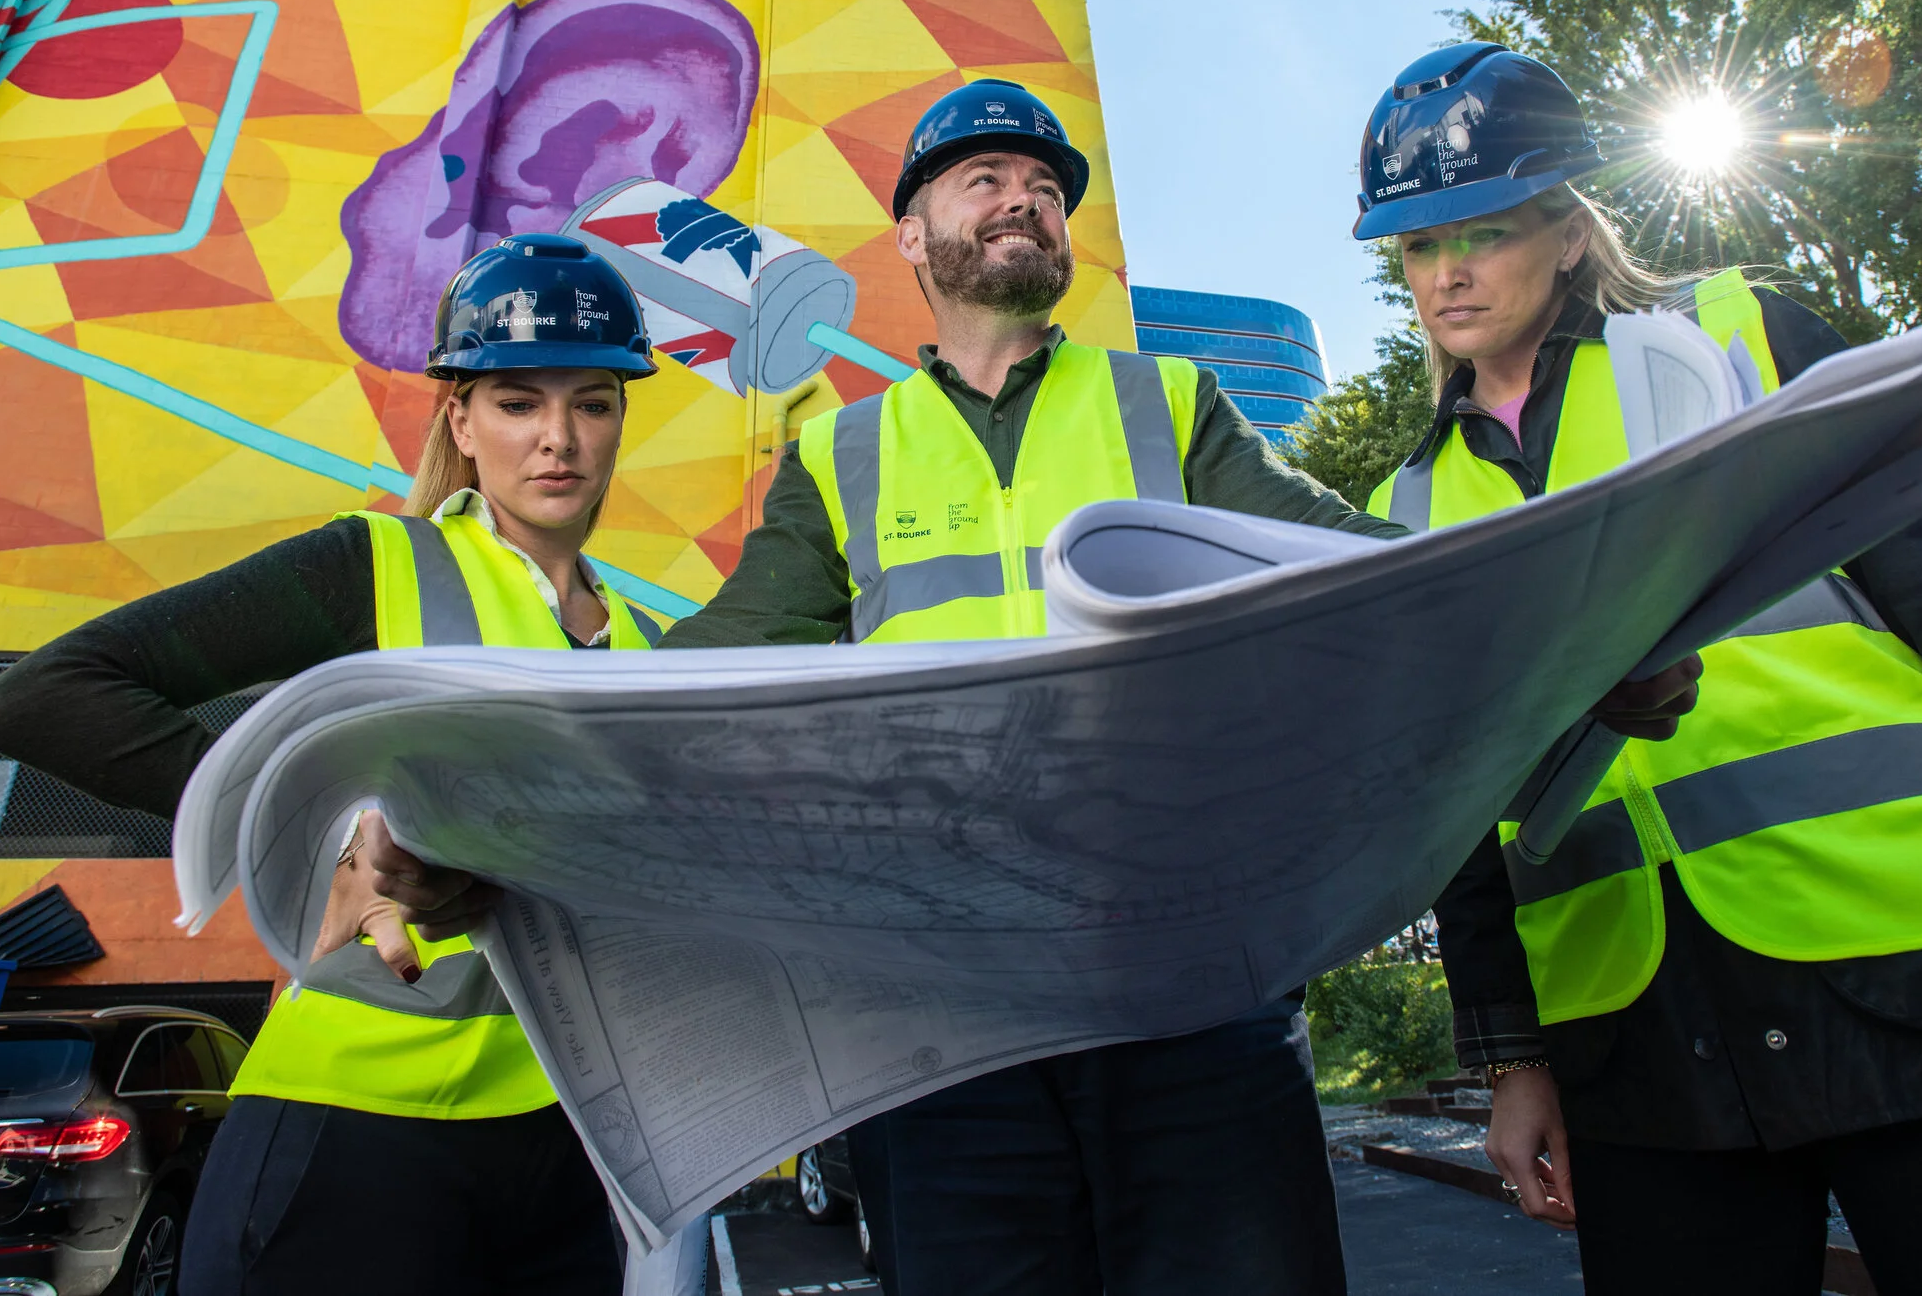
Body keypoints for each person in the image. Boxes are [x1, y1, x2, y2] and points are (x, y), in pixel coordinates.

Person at [653, 76, 1698, 1295]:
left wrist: (1583, 629)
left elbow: (1370, 569)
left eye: (1046, 190)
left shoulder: (1169, 401)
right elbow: (716, 667)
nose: (1025, 201)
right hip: (950, 1028)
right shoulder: (838, 453)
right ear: (911, 234)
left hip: (1194, 1003)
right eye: (985, 179)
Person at [1353, 42, 1922, 1296]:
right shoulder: (1403, 507)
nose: (1446, 272)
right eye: (1413, 245)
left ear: (1566, 230)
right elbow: (1458, 824)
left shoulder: (1740, 340)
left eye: (1486, 229)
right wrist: (1514, 1059)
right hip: (1647, 1055)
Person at [0, 232, 663, 1296]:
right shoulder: (372, 565)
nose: (559, 437)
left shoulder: (644, 646)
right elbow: (43, 695)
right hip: (357, 1129)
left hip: (564, 1143)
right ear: (461, 419)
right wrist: (317, 828)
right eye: (519, 401)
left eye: (595, 401)